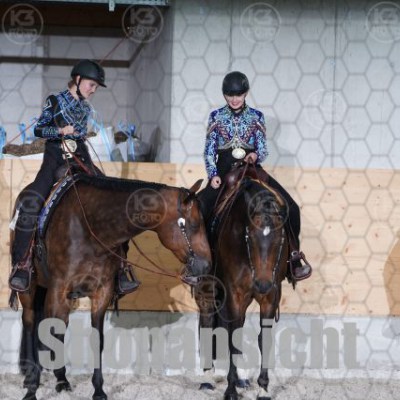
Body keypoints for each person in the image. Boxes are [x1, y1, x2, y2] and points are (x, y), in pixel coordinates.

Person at [8, 59, 140, 294]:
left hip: (80, 157)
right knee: (32, 200)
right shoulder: (55, 100)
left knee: (113, 199)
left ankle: (121, 268)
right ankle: (22, 265)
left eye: (96, 87)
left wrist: (80, 136)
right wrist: (60, 130)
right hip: (55, 158)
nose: (93, 90)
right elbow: (39, 129)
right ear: (78, 80)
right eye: (91, 84)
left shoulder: (86, 108)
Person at [198, 71, 312, 281]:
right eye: (230, 95)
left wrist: (255, 155)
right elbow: (209, 151)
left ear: (246, 93)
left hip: (250, 167)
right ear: (224, 95)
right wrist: (213, 174)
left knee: (292, 208)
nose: (234, 99)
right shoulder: (216, 116)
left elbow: (263, 148)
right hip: (223, 169)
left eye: (239, 95)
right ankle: (201, 262)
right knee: (199, 208)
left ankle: (293, 259)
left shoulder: (256, 116)